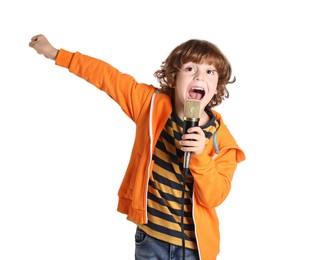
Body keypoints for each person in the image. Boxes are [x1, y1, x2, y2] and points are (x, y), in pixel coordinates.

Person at [29, 34, 245, 260]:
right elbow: (108, 77)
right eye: (190, 68)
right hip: (150, 240)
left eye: (210, 71)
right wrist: (55, 54)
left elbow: (214, 197)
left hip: (193, 249)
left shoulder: (223, 142)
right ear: (173, 78)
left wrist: (200, 156)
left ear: (217, 85)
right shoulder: (149, 104)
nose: (200, 76)